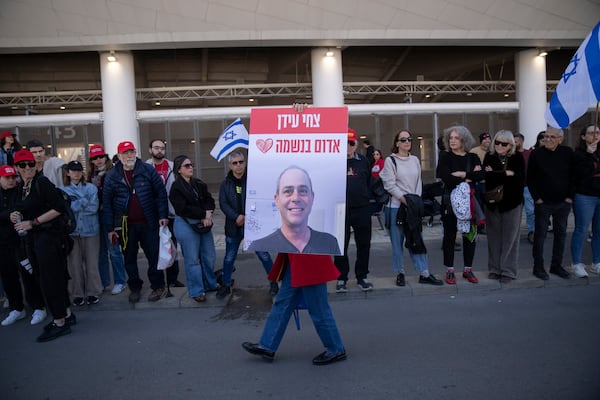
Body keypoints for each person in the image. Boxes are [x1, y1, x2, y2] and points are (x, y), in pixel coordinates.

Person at [11, 149, 75, 342]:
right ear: (17, 168)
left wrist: (33, 222)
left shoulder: (42, 182)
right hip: (36, 240)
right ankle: (66, 315)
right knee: (51, 278)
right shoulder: (23, 186)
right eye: (23, 165)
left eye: (31, 164)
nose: (28, 168)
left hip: (48, 238)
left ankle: (59, 322)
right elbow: (24, 207)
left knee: (51, 281)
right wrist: (16, 214)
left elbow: (59, 208)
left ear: (36, 165)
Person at [242, 253, 346, 365]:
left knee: (318, 308)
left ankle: (336, 348)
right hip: (297, 256)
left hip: (310, 257)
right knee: (283, 303)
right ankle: (267, 345)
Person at [102, 141, 169, 303]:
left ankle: (157, 286)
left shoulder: (147, 170)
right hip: (125, 226)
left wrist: (162, 215)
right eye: (125, 153)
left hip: (149, 222)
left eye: (131, 152)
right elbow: (107, 203)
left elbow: (160, 194)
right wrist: (110, 228)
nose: (129, 155)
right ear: (119, 156)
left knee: (153, 256)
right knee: (129, 258)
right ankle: (135, 288)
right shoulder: (112, 175)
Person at [380, 129, 443, 286]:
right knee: (397, 242)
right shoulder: (390, 161)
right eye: (403, 140)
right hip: (395, 207)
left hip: (412, 207)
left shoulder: (415, 159)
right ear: (397, 143)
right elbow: (389, 184)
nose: (407, 142)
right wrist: (404, 200)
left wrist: (415, 201)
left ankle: (424, 273)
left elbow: (418, 182)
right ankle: (400, 272)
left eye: (409, 139)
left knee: (417, 239)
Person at [217, 150, 277, 299]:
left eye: (241, 162)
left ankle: (274, 283)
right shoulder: (225, 184)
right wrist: (236, 216)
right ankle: (225, 284)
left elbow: (260, 200)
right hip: (233, 226)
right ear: (230, 166)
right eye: (235, 163)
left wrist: (249, 216)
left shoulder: (253, 180)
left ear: (245, 163)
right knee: (229, 258)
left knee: (264, 255)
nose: (238, 166)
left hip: (253, 226)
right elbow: (223, 204)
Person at [248, 166, 340, 255]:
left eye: (303, 191)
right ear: (277, 200)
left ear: (312, 197)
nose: (295, 198)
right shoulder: (258, 246)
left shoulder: (330, 243)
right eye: (288, 191)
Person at [0, 165, 46, 326]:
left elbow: (28, 208)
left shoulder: (21, 191)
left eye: (13, 177)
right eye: (7, 178)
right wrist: (7, 215)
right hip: (3, 244)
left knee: (29, 276)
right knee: (8, 277)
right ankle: (16, 308)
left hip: (22, 242)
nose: (11, 180)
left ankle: (38, 307)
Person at [437, 125, 484, 285]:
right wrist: (470, 177)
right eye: (450, 138)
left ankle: (467, 269)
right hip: (450, 202)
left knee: (470, 236)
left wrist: (463, 174)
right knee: (449, 236)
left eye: (456, 138)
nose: (452, 141)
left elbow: (481, 175)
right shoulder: (445, 156)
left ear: (464, 140)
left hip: (469, 203)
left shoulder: (473, 157)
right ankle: (450, 270)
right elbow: (446, 177)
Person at [169, 155, 218, 302]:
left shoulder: (198, 183)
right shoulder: (176, 187)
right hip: (186, 224)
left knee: (209, 256)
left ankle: (210, 283)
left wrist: (208, 213)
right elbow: (182, 208)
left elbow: (209, 199)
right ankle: (197, 291)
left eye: (191, 165)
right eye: (187, 166)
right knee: (192, 260)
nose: (190, 167)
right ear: (179, 170)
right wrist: (203, 214)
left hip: (204, 223)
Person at [527, 126, 574, 280]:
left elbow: (574, 176)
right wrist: (537, 198)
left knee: (560, 235)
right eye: (546, 136)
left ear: (560, 139)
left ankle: (556, 266)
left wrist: (569, 197)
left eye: (552, 137)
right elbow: (531, 178)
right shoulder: (536, 154)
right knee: (540, 236)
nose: (548, 139)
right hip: (543, 203)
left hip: (563, 202)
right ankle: (538, 267)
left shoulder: (567, 153)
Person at [482, 130, 525, 283]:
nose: (499, 146)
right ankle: (494, 269)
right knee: (493, 238)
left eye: (504, 143)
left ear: (510, 145)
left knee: (510, 239)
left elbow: (520, 180)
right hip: (493, 203)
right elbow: (487, 177)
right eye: (497, 142)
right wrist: (506, 173)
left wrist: (496, 173)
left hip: (512, 203)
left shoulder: (517, 158)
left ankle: (508, 271)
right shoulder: (490, 156)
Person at [335, 128, 374, 293]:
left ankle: (362, 276)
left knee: (363, 244)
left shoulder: (363, 161)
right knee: (340, 245)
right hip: (341, 209)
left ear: (356, 144)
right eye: (344, 143)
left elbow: (369, 181)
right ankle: (341, 277)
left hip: (362, 208)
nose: (348, 146)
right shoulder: (334, 161)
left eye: (351, 143)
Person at [61, 160, 103, 306]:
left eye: (79, 170)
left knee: (91, 263)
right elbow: (66, 210)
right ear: (68, 172)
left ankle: (93, 292)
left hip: (90, 230)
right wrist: (83, 201)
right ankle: (77, 293)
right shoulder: (62, 189)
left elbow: (93, 208)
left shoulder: (91, 188)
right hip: (72, 231)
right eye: (73, 170)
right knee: (74, 264)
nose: (76, 173)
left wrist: (75, 204)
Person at [88, 144, 127, 294]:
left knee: (114, 250)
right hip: (96, 216)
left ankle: (120, 281)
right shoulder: (90, 176)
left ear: (106, 157)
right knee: (100, 252)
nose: (98, 160)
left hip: (111, 215)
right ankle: (104, 282)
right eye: (95, 158)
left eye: (101, 156)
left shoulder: (114, 172)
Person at [146, 139, 185, 288]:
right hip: (152, 215)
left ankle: (172, 279)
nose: (159, 151)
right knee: (155, 249)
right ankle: (158, 283)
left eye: (162, 148)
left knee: (172, 248)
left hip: (171, 214)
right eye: (156, 148)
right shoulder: (145, 167)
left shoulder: (171, 166)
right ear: (150, 150)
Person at [570, 124, 600, 277]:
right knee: (581, 230)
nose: (595, 135)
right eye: (591, 133)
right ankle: (576, 263)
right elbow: (579, 175)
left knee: (598, 231)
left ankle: (597, 262)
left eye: (598, 133)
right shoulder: (578, 154)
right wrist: (589, 154)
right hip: (585, 196)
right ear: (583, 136)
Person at [523, 131, 546, 244]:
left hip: (545, 186)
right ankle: (532, 231)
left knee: (543, 210)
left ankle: (541, 230)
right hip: (530, 186)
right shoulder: (532, 153)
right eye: (543, 140)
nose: (546, 142)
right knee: (530, 211)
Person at [470, 132, 491, 234]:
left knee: (487, 205)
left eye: (488, 139)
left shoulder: (491, 152)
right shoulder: (474, 151)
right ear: (481, 140)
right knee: (478, 205)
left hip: (487, 183)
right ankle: (479, 226)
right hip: (478, 183)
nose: (487, 141)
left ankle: (485, 224)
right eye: (485, 139)